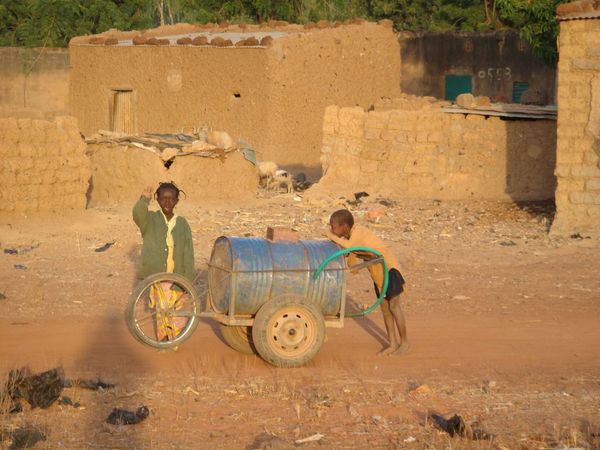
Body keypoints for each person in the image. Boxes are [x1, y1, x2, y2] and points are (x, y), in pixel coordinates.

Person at [326, 209, 409, 356]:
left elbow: (349, 246)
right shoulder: (349, 236)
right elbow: (346, 251)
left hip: (389, 270)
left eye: (333, 226)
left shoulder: (359, 233)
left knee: (394, 306)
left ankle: (405, 343)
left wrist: (330, 236)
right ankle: (393, 343)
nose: (331, 229)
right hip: (378, 274)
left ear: (344, 226)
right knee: (385, 309)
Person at [133, 182, 195, 341]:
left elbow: (188, 252)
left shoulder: (182, 224)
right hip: (159, 275)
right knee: (163, 309)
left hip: (178, 275)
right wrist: (144, 200)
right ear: (157, 200)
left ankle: (174, 338)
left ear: (177, 201)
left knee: (178, 308)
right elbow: (138, 215)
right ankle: (164, 340)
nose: (167, 203)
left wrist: (188, 278)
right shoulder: (150, 220)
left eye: (171, 199)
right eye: (163, 199)